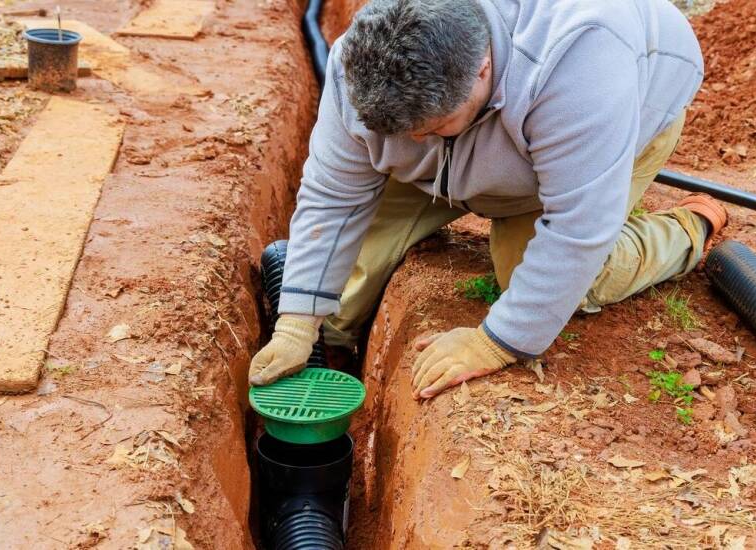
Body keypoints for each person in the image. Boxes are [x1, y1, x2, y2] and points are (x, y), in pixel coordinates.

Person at [248, 0, 727, 399]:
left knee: (558, 278)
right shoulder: (364, 58)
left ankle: (686, 231)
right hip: (465, 147)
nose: (414, 141)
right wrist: (296, 325)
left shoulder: (580, 63)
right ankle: (335, 347)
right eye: (402, 133)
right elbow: (334, 194)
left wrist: (499, 343)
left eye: (431, 129)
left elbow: (578, 228)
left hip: (598, 127)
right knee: (346, 290)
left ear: (481, 70)